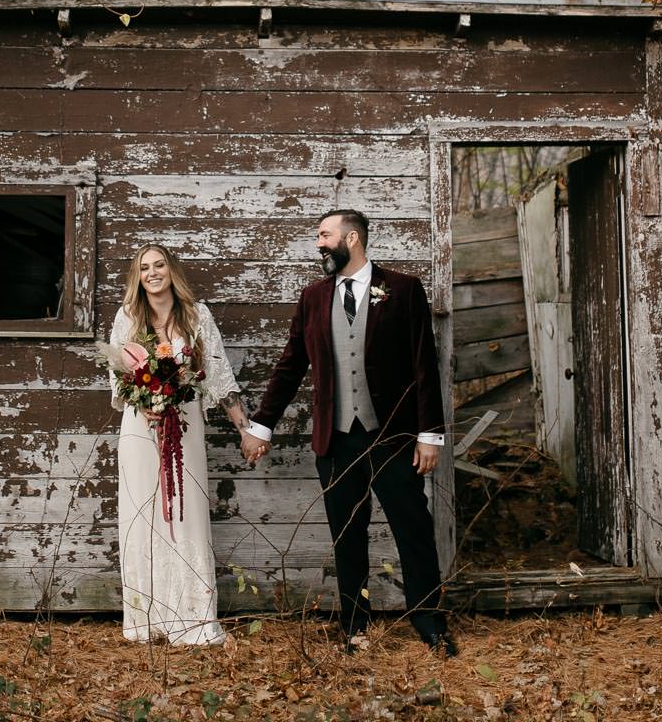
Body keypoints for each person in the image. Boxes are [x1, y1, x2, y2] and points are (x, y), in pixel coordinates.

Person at [242, 210, 455, 655]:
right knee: (348, 534)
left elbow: (423, 365)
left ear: (352, 238)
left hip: (393, 436)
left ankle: (429, 620)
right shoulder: (313, 297)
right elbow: (289, 367)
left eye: (325, 235)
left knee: (412, 528)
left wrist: (429, 434)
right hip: (337, 439)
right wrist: (261, 425)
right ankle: (355, 624)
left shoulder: (403, 289)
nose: (319, 244)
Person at [108, 243, 253, 645]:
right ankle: (145, 620)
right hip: (140, 427)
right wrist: (145, 402)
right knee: (143, 512)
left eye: (159, 265)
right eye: (144, 268)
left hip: (184, 423)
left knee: (185, 510)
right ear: (137, 278)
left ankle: (191, 616)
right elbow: (119, 378)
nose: (152, 273)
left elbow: (220, 378)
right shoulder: (128, 317)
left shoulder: (196, 316)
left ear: (171, 271)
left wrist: (244, 427)